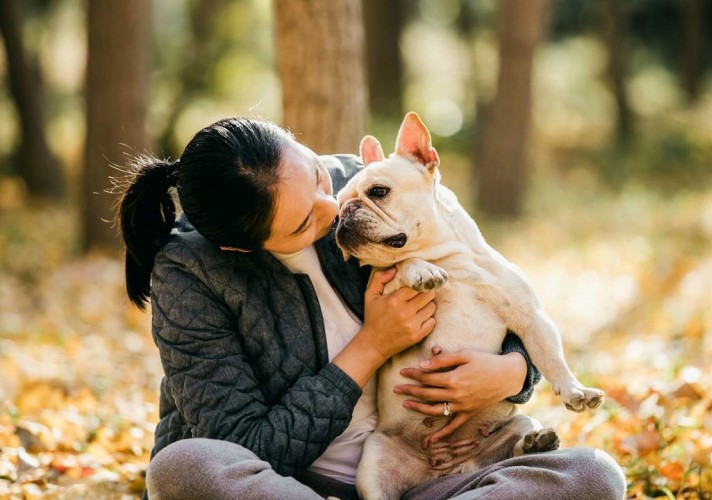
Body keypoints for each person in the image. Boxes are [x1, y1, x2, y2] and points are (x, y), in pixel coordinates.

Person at [116, 117, 626, 499]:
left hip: (442, 471)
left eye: (316, 175)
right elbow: (245, 445)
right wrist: (371, 346)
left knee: (593, 476)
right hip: (293, 486)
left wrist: (514, 373)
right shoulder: (189, 273)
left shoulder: (367, 185)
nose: (333, 206)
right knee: (183, 467)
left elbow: (493, 289)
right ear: (240, 248)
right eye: (301, 225)